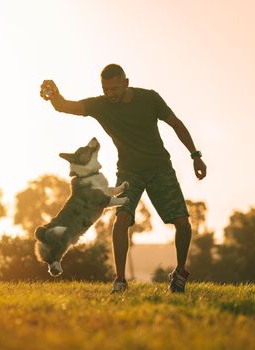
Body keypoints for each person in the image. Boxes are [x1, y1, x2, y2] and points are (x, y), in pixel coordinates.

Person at [40, 64, 207, 293]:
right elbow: (64, 106)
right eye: (106, 89)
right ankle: (120, 280)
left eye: (115, 88)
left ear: (126, 83)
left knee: (182, 223)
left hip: (160, 168)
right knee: (121, 221)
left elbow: (176, 124)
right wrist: (53, 95)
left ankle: (179, 273)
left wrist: (195, 156)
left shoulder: (150, 99)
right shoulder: (100, 106)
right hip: (129, 172)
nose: (111, 94)